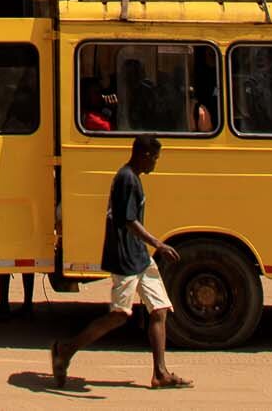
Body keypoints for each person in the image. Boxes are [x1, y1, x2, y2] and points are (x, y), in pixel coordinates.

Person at [52, 135, 192, 391]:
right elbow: (128, 220)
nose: (156, 164)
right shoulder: (127, 178)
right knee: (118, 316)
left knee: (159, 311)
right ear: (144, 155)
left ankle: (160, 373)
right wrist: (158, 244)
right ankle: (65, 349)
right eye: (155, 158)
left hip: (139, 256)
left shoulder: (132, 178)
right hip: (126, 258)